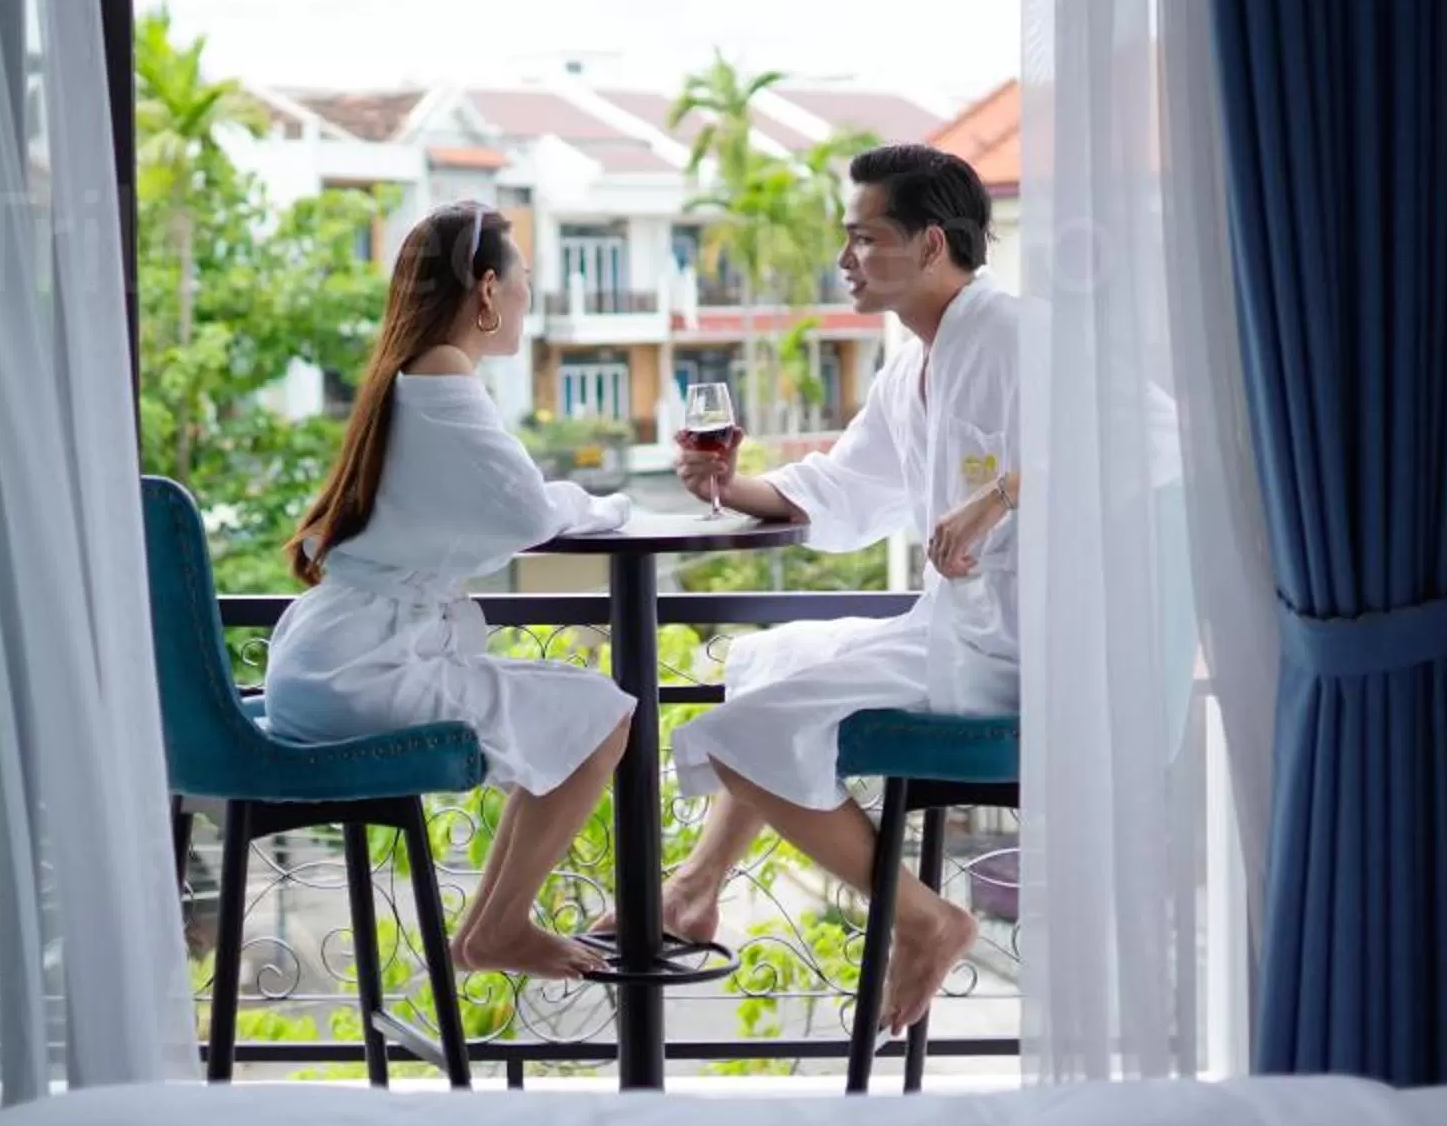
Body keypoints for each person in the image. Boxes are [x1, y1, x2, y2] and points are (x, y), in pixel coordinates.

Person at [662, 143, 1022, 1037]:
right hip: (953, 627)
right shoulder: (913, 367)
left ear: (931, 245)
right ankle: (692, 891)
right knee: (765, 659)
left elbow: (1147, 435)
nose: (845, 261)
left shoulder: (1016, 333)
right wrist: (729, 488)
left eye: (865, 239)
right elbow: (847, 487)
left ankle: (926, 917)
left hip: (1021, 649)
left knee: (745, 731)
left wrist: (997, 497)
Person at [265, 201, 636, 981]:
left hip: (328, 660)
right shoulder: (443, 376)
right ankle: (497, 927)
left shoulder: (411, 373)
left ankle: (491, 929)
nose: (530, 299)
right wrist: (604, 505)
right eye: (526, 280)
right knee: (604, 715)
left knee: (584, 712)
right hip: (366, 670)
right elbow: (529, 512)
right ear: (490, 288)